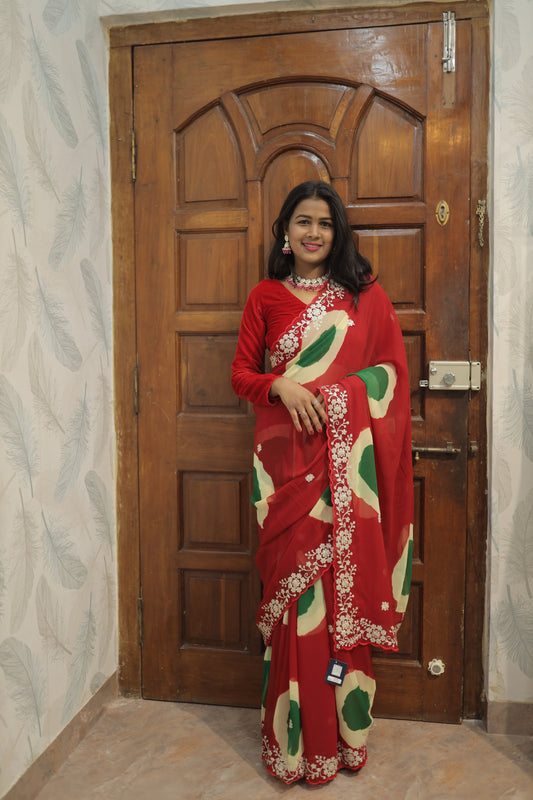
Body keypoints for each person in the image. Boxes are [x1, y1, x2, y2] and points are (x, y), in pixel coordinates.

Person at [231, 181, 413, 785]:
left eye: (325, 223)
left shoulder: (364, 296)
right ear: (285, 231)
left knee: (339, 595)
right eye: (303, 221)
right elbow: (241, 373)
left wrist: (339, 398)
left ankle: (341, 739)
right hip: (284, 465)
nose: (314, 233)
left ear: (338, 234)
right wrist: (279, 385)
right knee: (295, 600)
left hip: (343, 468)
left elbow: (390, 375)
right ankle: (295, 744)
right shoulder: (264, 296)